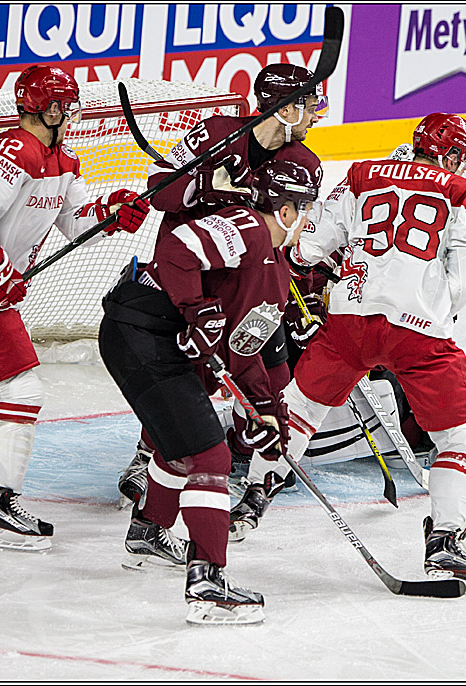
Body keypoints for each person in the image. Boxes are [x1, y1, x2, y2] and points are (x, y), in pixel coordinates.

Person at [229, 113, 466, 594]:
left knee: (298, 411)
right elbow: (462, 281)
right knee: (461, 441)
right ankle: (444, 544)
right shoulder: (460, 191)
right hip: (418, 335)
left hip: (349, 322)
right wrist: (436, 311)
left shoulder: (361, 174)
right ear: (455, 155)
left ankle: (251, 501)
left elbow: (309, 247)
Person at [0, 65, 151, 551]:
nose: (69, 113)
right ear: (41, 108)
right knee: (22, 387)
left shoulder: (61, 162)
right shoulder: (11, 153)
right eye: (62, 106)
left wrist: (112, 212)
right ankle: (1, 505)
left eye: (69, 105)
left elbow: (75, 220)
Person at [98, 157, 319, 624]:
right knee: (211, 458)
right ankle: (207, 585)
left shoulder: (275, 270)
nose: (309, 219)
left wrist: (266, 410)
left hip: (157, 342)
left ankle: (148, 532)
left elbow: (244, 346)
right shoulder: (247, 227)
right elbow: (175, 250)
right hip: (140, 333)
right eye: (305, 208)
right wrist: (196, 308)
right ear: (285, 211)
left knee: (177, 445)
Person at [116, 62, 325, 509]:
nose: (318, 115)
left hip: (252, 283)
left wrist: (304, 289)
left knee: (274, 373)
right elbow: (158, 192)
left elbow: (290, 230)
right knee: (186, 373)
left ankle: (233, 447)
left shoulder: (304, 163)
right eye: (309, 105)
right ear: (284, 108)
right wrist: (204, 185)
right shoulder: (214, 134)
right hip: (191, 275)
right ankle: (149, 455)